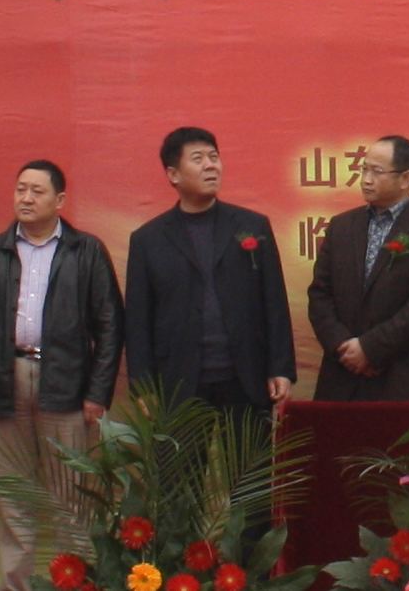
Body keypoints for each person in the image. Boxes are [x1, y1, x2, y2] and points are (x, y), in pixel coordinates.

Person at [0, 161, 121, 591]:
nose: (26, 199)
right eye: (21, 189)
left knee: (73, 498)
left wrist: (98, 393)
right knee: (12, 498)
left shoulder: (86, 251)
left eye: (37, 191)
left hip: (66, 383)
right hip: (5, 380)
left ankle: (74, 584)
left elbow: (110, 326)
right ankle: (16, 585)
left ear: (59, 200)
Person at [122, 127, 296, 413]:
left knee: (248, 446)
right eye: (198, 158)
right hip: (178, 381)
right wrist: (143, 387)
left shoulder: (253, 225)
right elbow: (138, 321)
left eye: (214, 157)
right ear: (173, 174)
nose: (210, 165)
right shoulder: (147, 240)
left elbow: (274, 301)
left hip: (246, 377)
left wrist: (281, 368)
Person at [307, 136, 409, 401]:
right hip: (341, 378)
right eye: (363, 169)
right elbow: (320, 294)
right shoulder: (341, 226)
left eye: (376, 171)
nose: (366, 179)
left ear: (406, 178)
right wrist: (344, 348)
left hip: (400, 379)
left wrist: (370, 349)